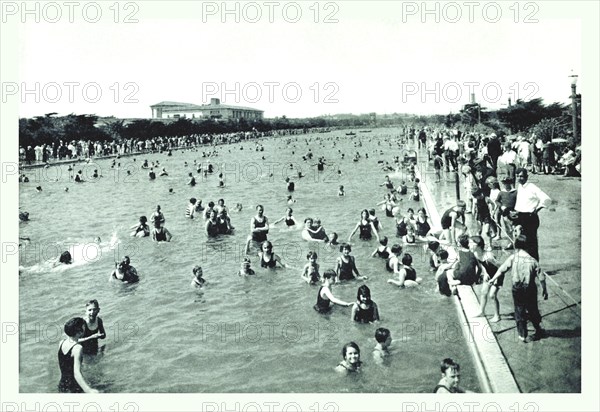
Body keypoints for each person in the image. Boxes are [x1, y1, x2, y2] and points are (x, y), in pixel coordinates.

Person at [491, 235, 548, 342]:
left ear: (516, 246)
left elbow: (501, 270)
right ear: (528, 247)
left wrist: (492, 279)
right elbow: (541, 278)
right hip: (530, 287)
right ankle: (537, 329)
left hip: (517, 288)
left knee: (519, 310)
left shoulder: (513, 258)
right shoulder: (532, 260)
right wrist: (544, 290)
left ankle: (522, 334)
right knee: (533, 309)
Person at [513, 168, 551, 261]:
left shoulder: (532, 187)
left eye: (521, 176)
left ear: (526, 177)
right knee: (520, 241)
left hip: (530, 218)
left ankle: (534, 264)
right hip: (520, 216)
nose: (519, 178)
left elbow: (546, 199)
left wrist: (537, 209)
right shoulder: (520, 186)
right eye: (517, 176)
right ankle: (525, 262)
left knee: (531, 243)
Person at [58, 317, 99, 393]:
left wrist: (90, 337)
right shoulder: (77, 348)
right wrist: (88, 390)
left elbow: (76, 340)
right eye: (84, 327)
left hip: (63, 384)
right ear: (79, 332)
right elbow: (76, 373)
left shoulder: (62, 342)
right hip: (73, 386)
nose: (85, 329)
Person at [470, 236, 502, 322]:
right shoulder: (476, 254)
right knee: (483, 292)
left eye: (471, 244)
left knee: (492, 295)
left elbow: (501, 267)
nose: (469, 245)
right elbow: (481, 265)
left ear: (478, 245)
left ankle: (497, 316)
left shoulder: (489, 256)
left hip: (498, 275)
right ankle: (481, 312)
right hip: (489, 275)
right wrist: (485, 273)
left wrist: (495, 279)